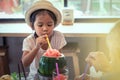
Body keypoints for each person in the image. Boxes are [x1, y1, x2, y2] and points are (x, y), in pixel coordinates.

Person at [21, 0, 67, 79]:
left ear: (54, 24)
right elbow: (25, 63)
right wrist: (36, 47)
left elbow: (59, 62)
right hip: (34, 77)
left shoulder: (58, 37)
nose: (45, 28)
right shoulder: (28, 40)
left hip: (53, 77)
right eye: (40, 25)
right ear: (32, 26)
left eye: (49, 24)